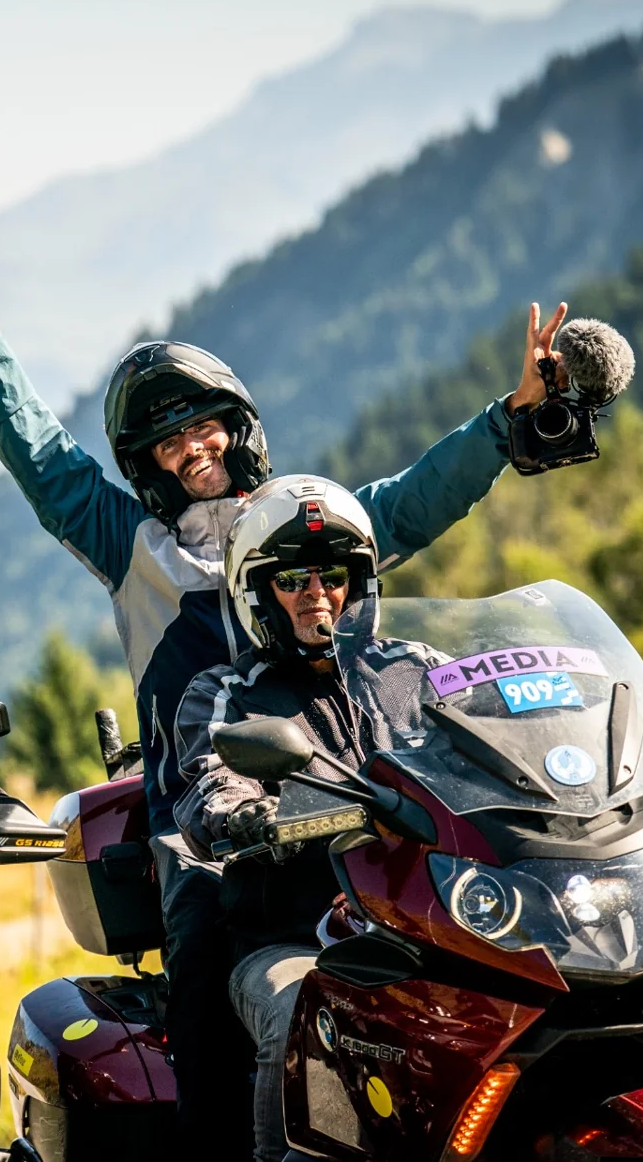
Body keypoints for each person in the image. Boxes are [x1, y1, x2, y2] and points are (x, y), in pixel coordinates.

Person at [0, 237, 567, 1152]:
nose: (192, 447)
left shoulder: (306, 526)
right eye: (168, 437)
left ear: (238, 428)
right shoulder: (134, 549)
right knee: (203, 961)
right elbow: (42, 459)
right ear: (146, 460)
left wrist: (508, 420)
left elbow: (414, 499)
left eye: (205, 425)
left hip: (358, 799)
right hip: (209, 826)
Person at [173, 476, 443, 1162]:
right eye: (293, 577)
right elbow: (208, 784)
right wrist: (252, 814)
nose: (316, 592)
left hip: (431, 926)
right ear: (260, 592)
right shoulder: (227, 692)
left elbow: (499, 731)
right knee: (304, 1008)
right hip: (294, 938)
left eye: (332, 574)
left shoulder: (419, 667)